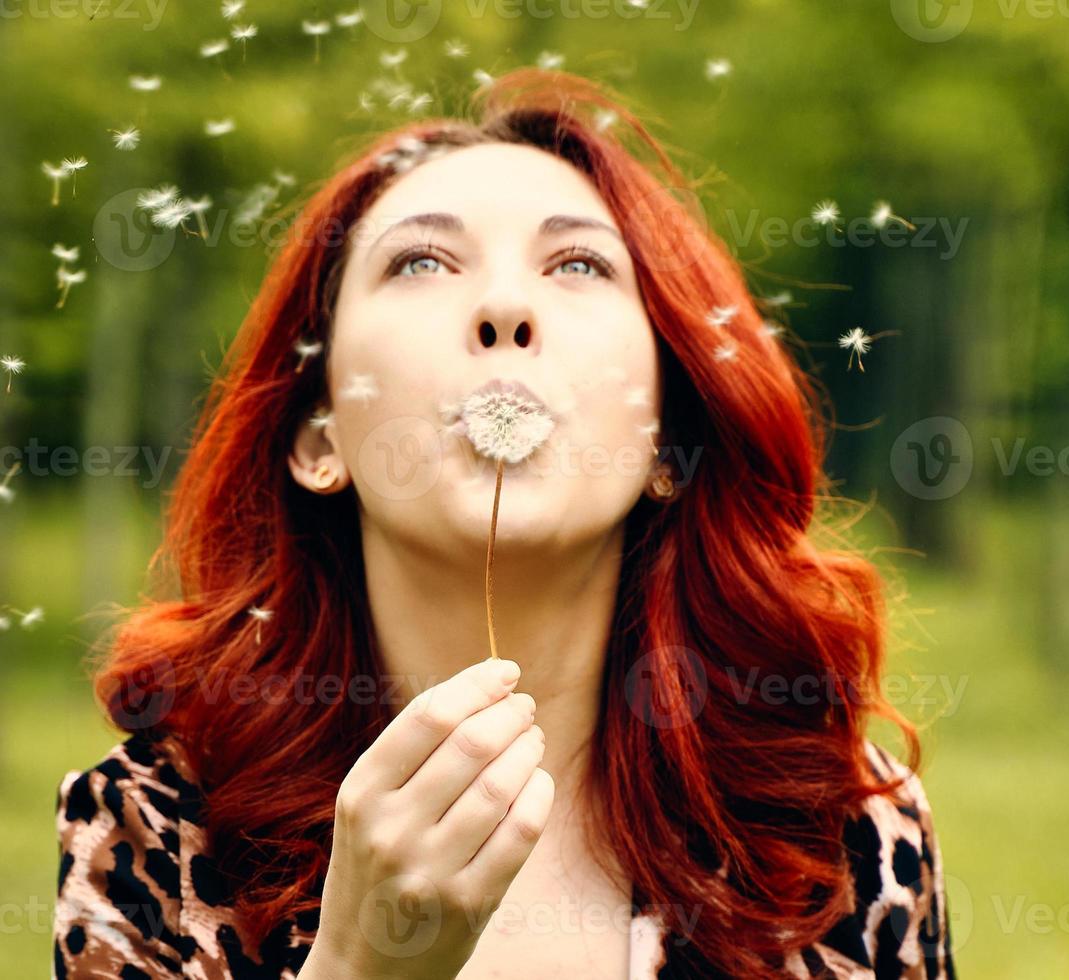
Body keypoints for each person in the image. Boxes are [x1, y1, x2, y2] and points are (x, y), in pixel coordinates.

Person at [53, 68, 956, 979]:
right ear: (317, 434)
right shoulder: (155, 837)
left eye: (577, 265)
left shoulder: (840, 841)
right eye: (419, 263)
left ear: (666, 443)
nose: (504, 309)